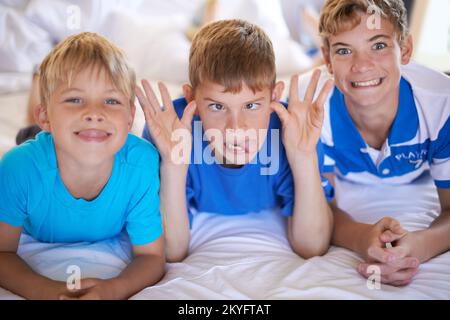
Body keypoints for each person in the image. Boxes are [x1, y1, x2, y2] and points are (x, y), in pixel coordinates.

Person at [137, 19, 335, 262]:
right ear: (192, 100)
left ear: (274, 96)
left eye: (251, 105)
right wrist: (173, 166)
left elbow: (312, 246)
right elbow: (170, 251)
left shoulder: (294, 130)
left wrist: (304, 157)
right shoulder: (170, 130)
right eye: (217, 106)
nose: (236, 126)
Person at [0, 32, 165, 299]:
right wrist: (50, 292)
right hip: (46, 143)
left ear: (130, 117)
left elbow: (151, 257)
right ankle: (37, 90)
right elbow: (2, 253)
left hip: (69, 135)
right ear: (47, 115)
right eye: (74, 99)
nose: (94, 113)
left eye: (111, 101)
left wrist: (112, 290)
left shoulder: (142, 165)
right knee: (26, 133)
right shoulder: (18, 169)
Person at [302, 0, 450, 286]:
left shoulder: (442, 104)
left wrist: (420, 245)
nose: (362, 65)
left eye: (379, 45)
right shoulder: (311, 107)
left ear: (405, 50)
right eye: (344, 50)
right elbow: (319, 210)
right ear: (328, 60)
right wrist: (362, 237)